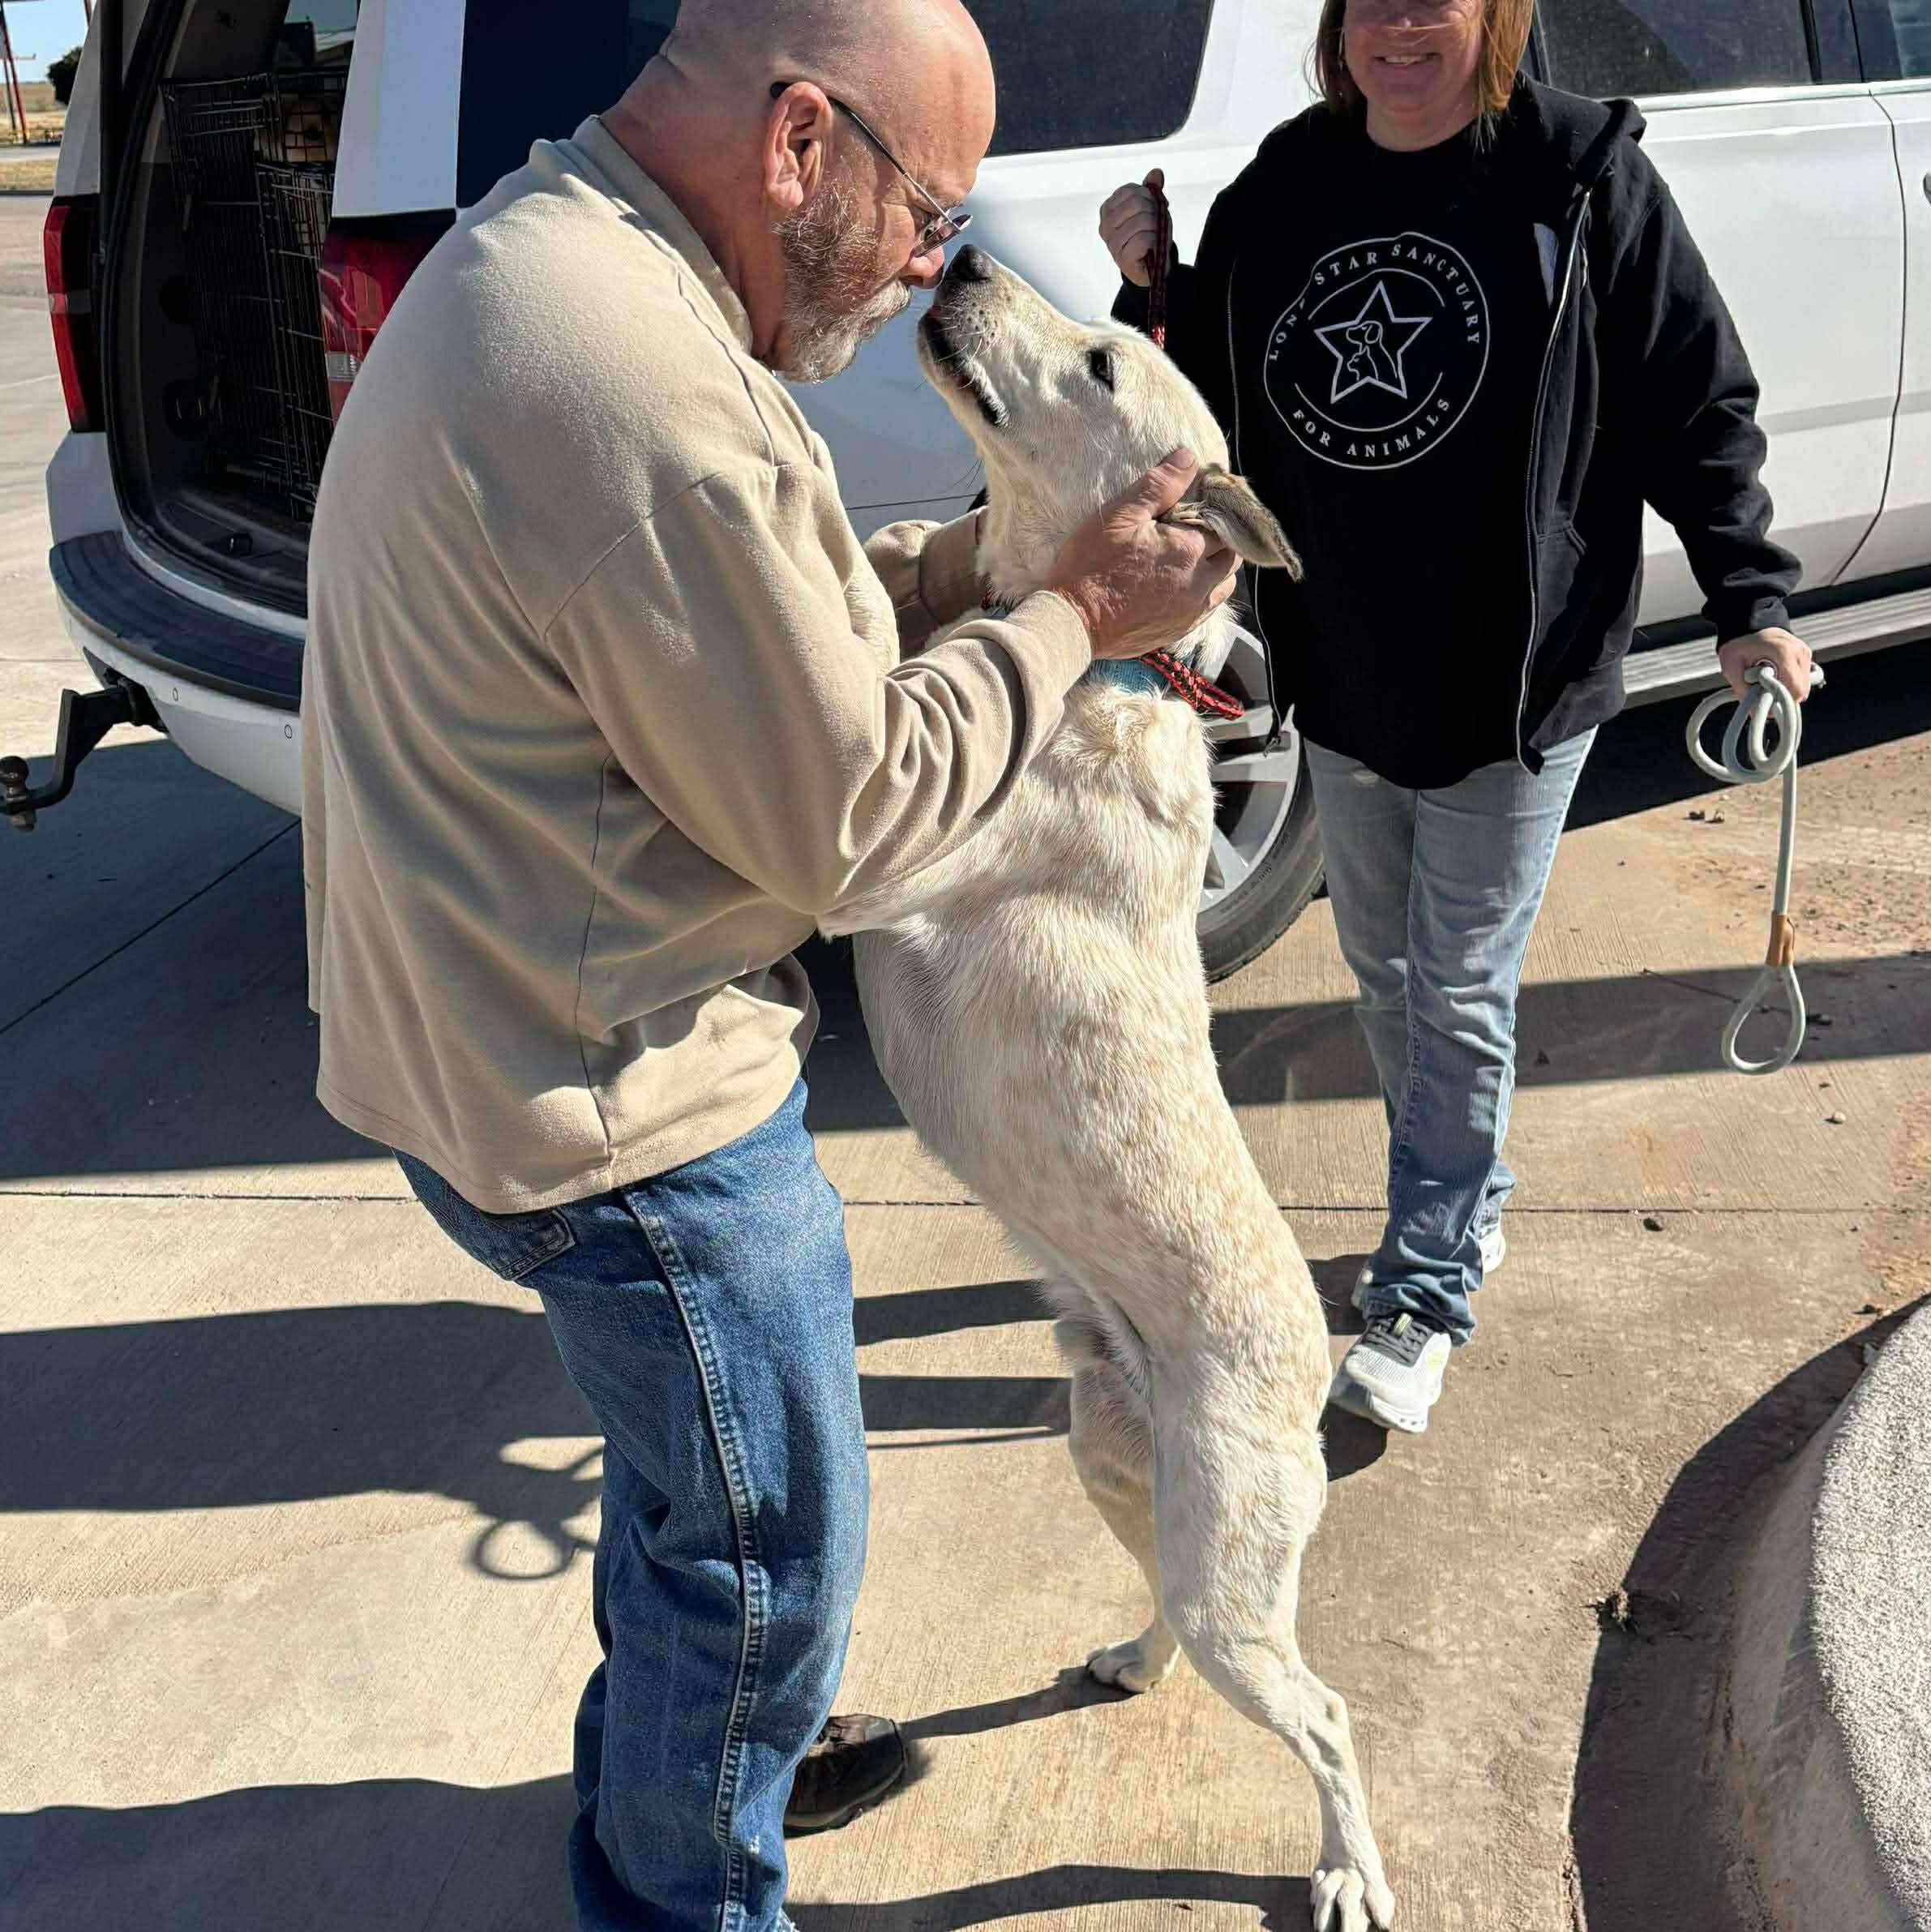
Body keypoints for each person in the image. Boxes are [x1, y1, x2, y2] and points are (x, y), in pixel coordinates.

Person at [300, 1, 1239, 1926]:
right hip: (619, 1105)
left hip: (494, 1034)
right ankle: (683, 1878)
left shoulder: (571, 261)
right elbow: (854, 816)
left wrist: (989, 571)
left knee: (685, 1504)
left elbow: (765, 635)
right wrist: (1074, 615)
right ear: (801, 140)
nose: (934, 264)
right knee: (766, 1551)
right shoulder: (642, 388)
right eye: (927, 210)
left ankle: (672, 1753)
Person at [1100, 0, 1815, 1436]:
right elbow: (1207, 400)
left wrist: (1751, 598)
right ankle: (1468, 1199)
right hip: (1351, 668)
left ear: (1496, 16)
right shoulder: (1287, 182)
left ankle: (1421, 1288)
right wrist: (1148, 287)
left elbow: (1695, 394)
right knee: (1385, 974)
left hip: (1516, 674)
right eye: (1372, 0)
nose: (1401, 27)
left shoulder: (1576, 174)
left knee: (1458, 988)